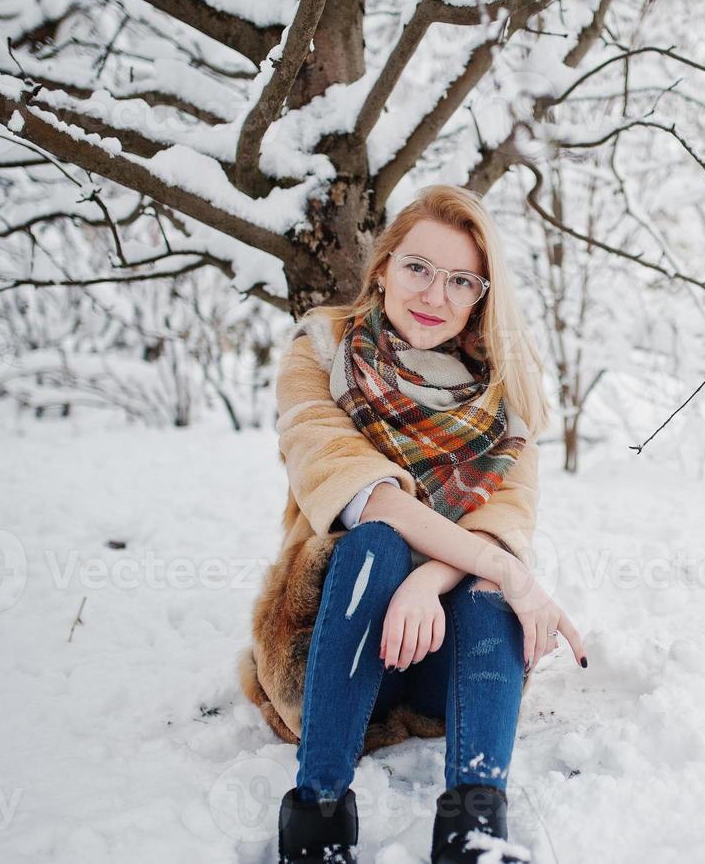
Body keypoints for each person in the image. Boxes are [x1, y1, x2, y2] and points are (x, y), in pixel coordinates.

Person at [238, 184, 586, 864]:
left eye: (461, 280)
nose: (434, 295)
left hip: (439, 659)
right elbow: (371, 499)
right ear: (383, 267)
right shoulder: (319, 355)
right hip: (329, 645)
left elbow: (498, 532)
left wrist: (433, 580)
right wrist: (508, 572)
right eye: (418, 268)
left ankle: (473, 828)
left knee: (492, 590)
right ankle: (317, 817)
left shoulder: (505, 398)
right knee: (377, 543)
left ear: (482, 296)